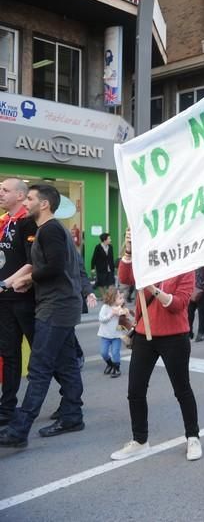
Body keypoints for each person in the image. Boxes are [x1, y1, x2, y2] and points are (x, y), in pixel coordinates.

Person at [0, 184, 85, 448]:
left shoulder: (49, 230)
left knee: (39, 367)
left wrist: (25, 279)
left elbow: (55, 267)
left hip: (56, 307)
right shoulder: (49, 230)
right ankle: (72, 415)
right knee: (67, 364)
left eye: (31, 198)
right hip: (60, 304)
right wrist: (27, 281)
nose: (27, 201)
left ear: (44, 204)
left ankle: (19, 429)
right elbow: (48, 267)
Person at [112, 228, 201, 461]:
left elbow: (178, 304)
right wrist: (129, 250)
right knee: (135, 391)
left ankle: (193, 437)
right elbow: (125, 278)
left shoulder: (184, 266)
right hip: (144, 335)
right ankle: (140, 440)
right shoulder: (146, 260)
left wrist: (153, 288)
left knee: (182, 389)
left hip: (175, 337)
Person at [0, 178, 37, 427]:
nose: (0, 193)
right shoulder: (3, 222)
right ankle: (8, 406)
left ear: (21, 196)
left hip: (25, 299)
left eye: (5, 190)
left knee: (43, 353)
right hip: (4, 301)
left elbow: (32, 261)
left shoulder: (28, 223)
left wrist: (6, 283)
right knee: (9, 353)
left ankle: (70, 404)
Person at [98, 286, 128, 378]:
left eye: (123, 298)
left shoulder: (122, 308)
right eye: (120, 298)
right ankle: (110, 364)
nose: (122, 300)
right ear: (113, 298)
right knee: (103, 353)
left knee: (115, 352)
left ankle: (116, 368)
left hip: (117, 335)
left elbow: (125, 323)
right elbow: (101, 319)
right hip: (105, 335)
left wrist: (125, 315)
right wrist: (112, 314)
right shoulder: (106, 307)